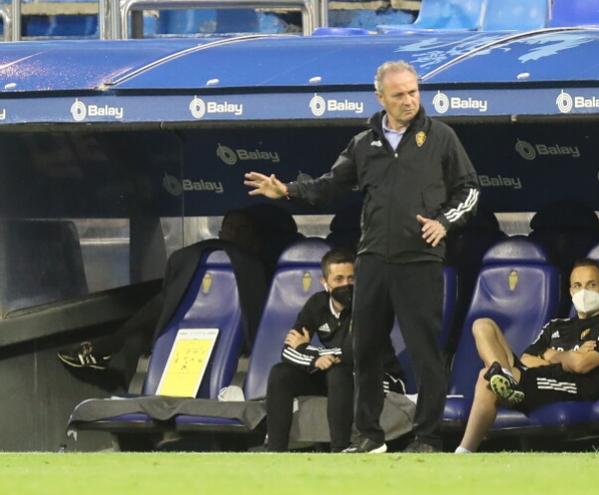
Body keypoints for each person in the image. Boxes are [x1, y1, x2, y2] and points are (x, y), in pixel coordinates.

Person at [244, 60, 479, 453]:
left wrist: (443, 223)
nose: (410, 100)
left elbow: (469, 190)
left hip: (420, 260)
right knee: (363, 350)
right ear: (381, 97)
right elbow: (329, 185)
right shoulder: (363, 143)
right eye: (400, 94)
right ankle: (368, 437)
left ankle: (427, 437)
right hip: (371, 260)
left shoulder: (441, 137)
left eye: (413, 91)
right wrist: (287, 191)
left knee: (424, 352)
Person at [57, 208, 273, 384]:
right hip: (186, 339)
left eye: (242, 229)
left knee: (164, 300)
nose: (233, 234)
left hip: (230, 343)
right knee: (138, 338)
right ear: (220, 233)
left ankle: (110, 344)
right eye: (230, 228)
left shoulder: (258, 272)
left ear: (255, 240)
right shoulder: (197, 265)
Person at [454, 258, 599, 453]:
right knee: (482, 324)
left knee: (485, 377)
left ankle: (464, 451)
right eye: (577, 286)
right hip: (535, 378)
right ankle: (505, 377)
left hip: (570, 387)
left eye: (591, 285)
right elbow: (527, 359)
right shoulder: (556, 325)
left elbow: (581, 365)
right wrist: (567, 357)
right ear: (571, 291)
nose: (584, 292)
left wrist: (550, 355)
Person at [265, 248, 405, 452]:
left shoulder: (366, 305)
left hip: (379, 379)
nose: (346, 285)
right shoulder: (317, 304)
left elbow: (350, 354)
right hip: (339, 374)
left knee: (339, 372)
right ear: (325, 283)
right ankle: (274, 451)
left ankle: (339, 450)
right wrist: (314, 360)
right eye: (338, 279)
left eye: (351, 278)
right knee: (280, 373)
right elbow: (287, 350)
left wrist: (306, 348)